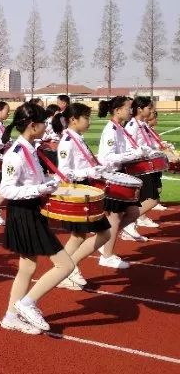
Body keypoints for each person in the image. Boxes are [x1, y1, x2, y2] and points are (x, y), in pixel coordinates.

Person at [0, 102, 73, 335]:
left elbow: (34, 180)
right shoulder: (16, 154)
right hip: (23, 213)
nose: (46, 128)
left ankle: (10, 316)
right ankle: (27, 303)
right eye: (43, 124)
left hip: (31, 210)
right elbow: (6, 190)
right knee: (65, 265)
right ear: (33, 126)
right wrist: (40, 190)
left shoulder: (31, 147)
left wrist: (49, 183)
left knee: (27, 267)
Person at [54, 103, 111, 290]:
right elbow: (65, 173)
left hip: (85, 188)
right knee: (95, 234)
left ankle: (65, 269)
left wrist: (96, 168)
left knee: (80, 235)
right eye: (86, 118)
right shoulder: (67, 142)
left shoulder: (77, 138)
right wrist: (89, 172)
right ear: (73, 119)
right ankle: (67, 269)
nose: (89, 121)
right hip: (77, 191)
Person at [96, 96, 144, 269]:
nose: (130, 111)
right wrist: (132, 155)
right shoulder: (111, 130)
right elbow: (107, 158)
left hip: (120, 174)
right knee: (115, 218)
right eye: (127, 108)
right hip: (112, 175)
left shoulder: (120, 128)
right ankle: (106, 255)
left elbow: (124, 150)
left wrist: (138, 151)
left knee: (133, 212)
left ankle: (103, 239)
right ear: (117, 111)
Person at [121, 96, 162, 239]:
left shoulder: (141, 125)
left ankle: (130, 224)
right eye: (149, 108)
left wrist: (158, 149)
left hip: (145, 165)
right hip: (137, 166)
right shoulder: (132, 126)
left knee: (151, 197)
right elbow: (128, 148)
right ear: (139, 109)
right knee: (151, 199)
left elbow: (147, 144)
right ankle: (127, 224)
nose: (151, 111)